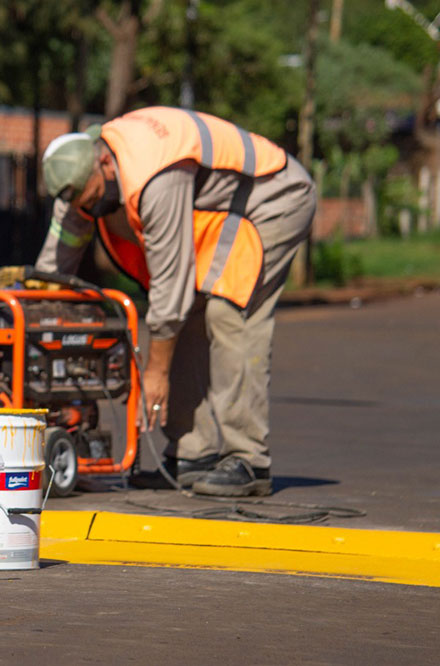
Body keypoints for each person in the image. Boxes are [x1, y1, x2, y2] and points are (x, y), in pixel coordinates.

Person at [38, 107, 315, 497]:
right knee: (191, 313)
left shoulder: (155, 175)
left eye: (93, 197)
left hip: (272, 198)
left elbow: (170, 288)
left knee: (228, 311)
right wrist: (40, 311)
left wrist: (156, 373)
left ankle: (250, 460)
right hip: (223, 210)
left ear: (104, 163)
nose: (89, 209)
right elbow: (53, 267)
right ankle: (191, 453)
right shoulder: (82, 172)